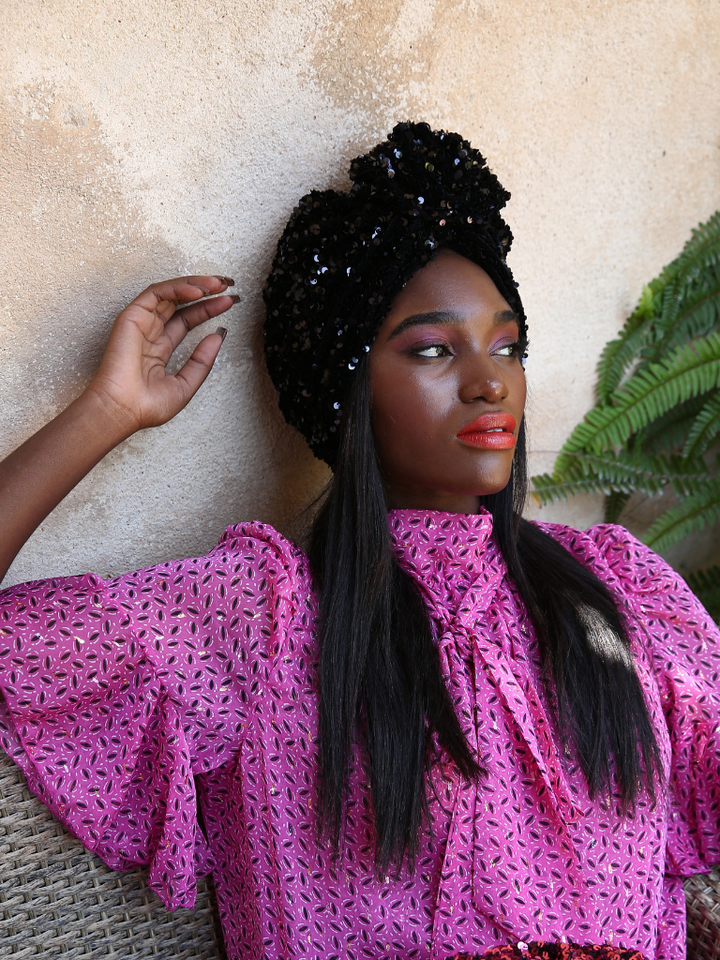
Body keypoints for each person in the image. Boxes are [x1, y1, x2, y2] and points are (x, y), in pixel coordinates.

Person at [0, 122, 717, 960]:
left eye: (508, 345)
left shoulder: (618, 588)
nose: (491, 381)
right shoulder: (263, 616)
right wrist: (107, 413)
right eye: (433, 349)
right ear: (349, 387)